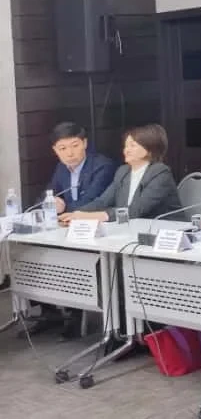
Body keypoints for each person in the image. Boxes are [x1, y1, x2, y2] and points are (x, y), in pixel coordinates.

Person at [22, 122, 117, 339]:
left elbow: (92, 201)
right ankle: (49, 312)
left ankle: (76, 315)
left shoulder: (102, 166)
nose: (69, 153)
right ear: (55, 150)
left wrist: (64, 209)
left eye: (74, 146)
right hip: (68, 227)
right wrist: (50, 204)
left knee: (70, 257)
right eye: (62, 149)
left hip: (97, 229)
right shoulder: (61, 168)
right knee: (34, 252)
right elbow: (47, 195)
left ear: (85, 143)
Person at [60, 123, 181, 223]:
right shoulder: (123, 171)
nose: (126, 150)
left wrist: (95, 216)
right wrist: (76, 213)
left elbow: (136, 210)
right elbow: (103, 201)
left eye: (132, 146)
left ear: (149, 149)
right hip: (130, 228)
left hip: (163, 231)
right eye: (126, 146)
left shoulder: (160, 173)